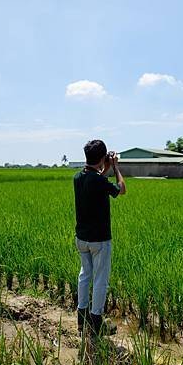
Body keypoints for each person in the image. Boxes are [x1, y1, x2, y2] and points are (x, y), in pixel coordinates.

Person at [73, 139, 126, 336]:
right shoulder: (99, 180)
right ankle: (96, 322)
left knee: (85, 275)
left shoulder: (78, 177)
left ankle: (82, 319)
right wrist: (116, 168)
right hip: (99, 241)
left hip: (82, 239)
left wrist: (105, 168)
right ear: (103, 158)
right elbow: (121, 189)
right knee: (100, 279)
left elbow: (95, 181)